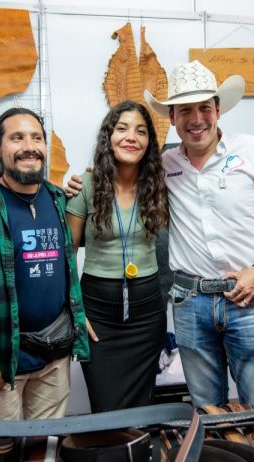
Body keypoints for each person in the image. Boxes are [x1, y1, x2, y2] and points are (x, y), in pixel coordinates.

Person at [68, 60, 254, 406]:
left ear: (218, 110)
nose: (196, 120)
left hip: (249, 298)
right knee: (206, 408)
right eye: (185, 111)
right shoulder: (162, 167)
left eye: (204, 108)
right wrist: (86, 180)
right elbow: (120, 174)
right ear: (172, 118)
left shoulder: (253, 151)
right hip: (190, 304)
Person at [0, 107, 89, 420]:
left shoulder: (58, 199)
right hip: (3, 360)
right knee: (1, 455)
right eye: (17, 137)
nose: (29, 146)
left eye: (37, 138)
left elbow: (67, 274)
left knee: (44, 453)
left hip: (54, 358)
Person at [66, 101, 168, 412]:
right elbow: (67, 255)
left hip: (148, 313)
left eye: (140, 131)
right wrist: (75, 312)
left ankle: (138, 461)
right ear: (108, 137)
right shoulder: (85, 185)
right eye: (122, 128)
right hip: (98, 312)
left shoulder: (161, 186)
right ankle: (111, 461)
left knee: (142, 408)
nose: (131, 137)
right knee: (106, 407)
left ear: (149, 142)